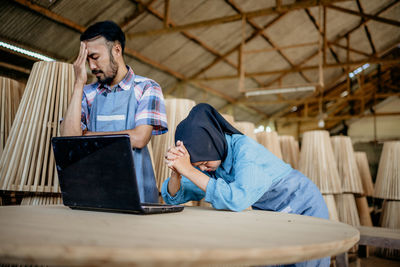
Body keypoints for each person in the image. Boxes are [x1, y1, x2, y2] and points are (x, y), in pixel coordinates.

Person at [162, 103, 330, 267]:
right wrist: (178, 172)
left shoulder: (245, 150)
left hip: (302, 206)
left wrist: (190, 171)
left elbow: (237, 200)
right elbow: (175, 197)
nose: (203, 168)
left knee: (307, 259)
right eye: (197, 166)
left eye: (204, 163)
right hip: (273, 215)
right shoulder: (213, 161)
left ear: (214, 144)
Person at [60, 21, 167, 203]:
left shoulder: (147, 87)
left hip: (138, 196)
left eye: (95, 57)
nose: (92, 67)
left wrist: (87, 135)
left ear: (116, 50)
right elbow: (69, 139)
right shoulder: (86, 93)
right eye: (88, 60)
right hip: (93, 193)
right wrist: (79, 84)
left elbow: (140, 138)